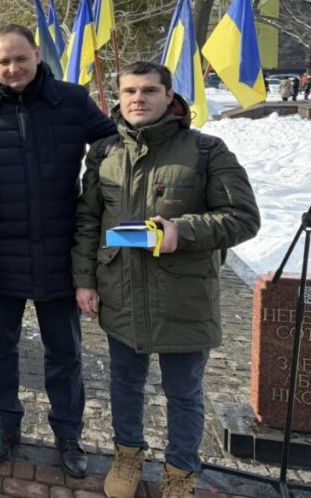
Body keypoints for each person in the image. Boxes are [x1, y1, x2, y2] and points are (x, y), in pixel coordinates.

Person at [73, 61, 259, 498]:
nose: (138, 98)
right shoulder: (103, 153)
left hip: (183, 296)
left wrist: (183, 230)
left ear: (169, 96)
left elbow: (242, 217)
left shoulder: (206, 150)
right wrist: (85, 281)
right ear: (118, 98)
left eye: (149, 90)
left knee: (184, 391)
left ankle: (180, 473)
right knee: (124, 383)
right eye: (129, 91)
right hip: (120, 290)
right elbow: (87, 222)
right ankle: (127, 455)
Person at [0, 24, 116, 476]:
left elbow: (115, 146)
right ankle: (4, 424)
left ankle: (68, 432)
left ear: (37, 55)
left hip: (59, 252)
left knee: (64, 352)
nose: (13, 68)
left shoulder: (72, 100)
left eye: (20, 58)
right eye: (3, 61)